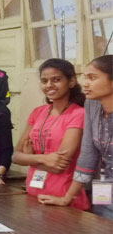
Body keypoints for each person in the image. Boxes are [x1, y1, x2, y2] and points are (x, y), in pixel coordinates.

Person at [38, 56, 112, 217]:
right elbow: (87, 155)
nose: (85, 84)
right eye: (85, 77)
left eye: (92, 78)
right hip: (104, 190)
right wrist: (67, 198)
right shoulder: (92, 104)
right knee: (102, 230)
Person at [12, 58, 87, 209]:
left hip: (63, 198)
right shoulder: (38, 112)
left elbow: (58, 166)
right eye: (44, 81)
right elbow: (15, 157)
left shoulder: (78, 114)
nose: (49, 85)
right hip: (33, 193)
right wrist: (43, 158)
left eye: (56, 80)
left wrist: (29, 158)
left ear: (71, 81)